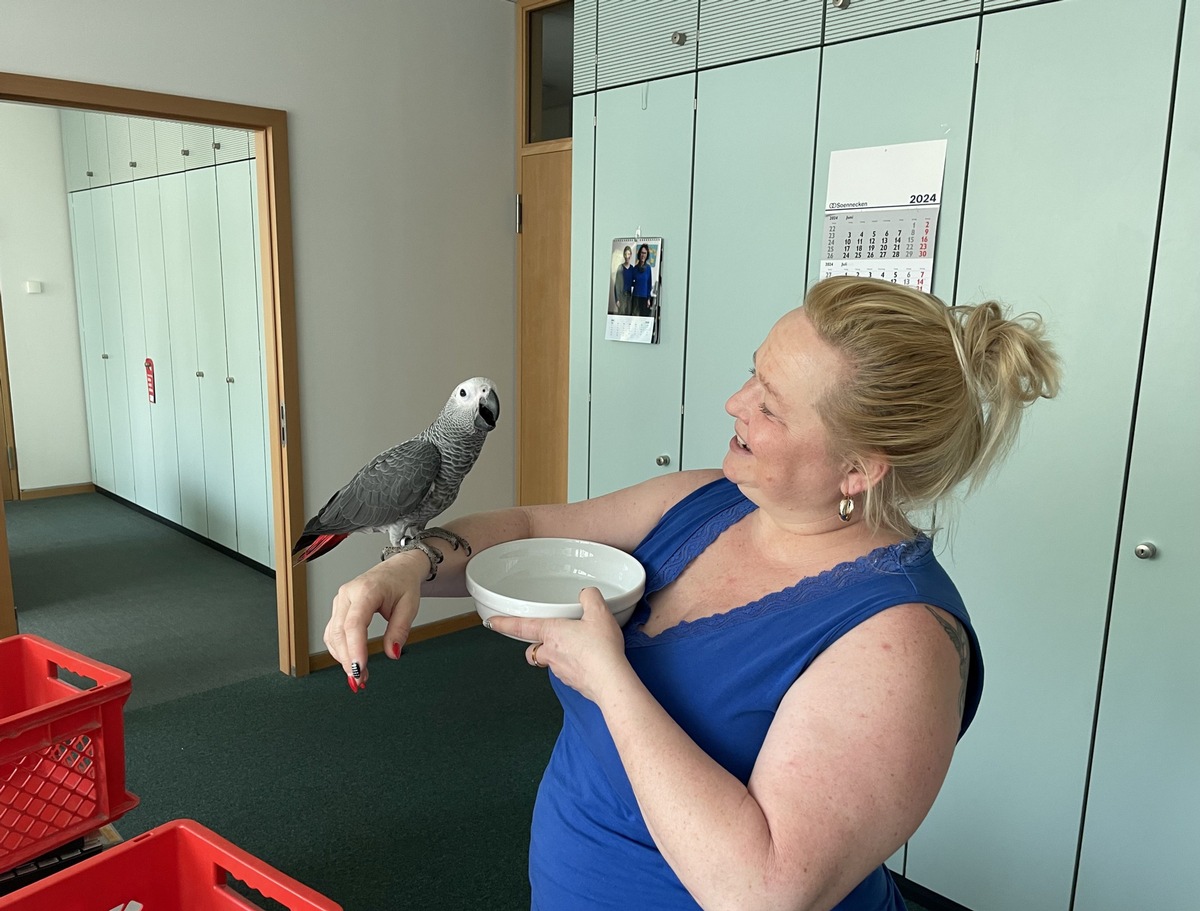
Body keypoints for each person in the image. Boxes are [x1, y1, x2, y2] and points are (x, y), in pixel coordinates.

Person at [325, 276, 1061, 911]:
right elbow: (526, 530)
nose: (734, 401)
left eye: (771, 406)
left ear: (858, 470)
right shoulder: (709, 499)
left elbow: (762, 889)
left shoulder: (901, 641)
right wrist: (410, 565)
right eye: (752, 373)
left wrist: (611, 681)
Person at [625, 242, 655, 317]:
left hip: (644, 298)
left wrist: (648, 299)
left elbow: (649, 284)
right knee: (634, 320)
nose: (643, 255)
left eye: (645, 253)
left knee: (643, 320)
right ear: (639, 254)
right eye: (642, 253)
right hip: (635, 298)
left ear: (647, 255)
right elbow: (631, 283)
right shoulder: (634, 269)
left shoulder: (648, 268)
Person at [612, 244, 634, 315]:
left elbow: (632, 282)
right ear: (624, 255)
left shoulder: (632, 268)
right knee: (622, 316)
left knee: (629, 316)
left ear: (630, 255)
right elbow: (617, 285)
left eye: (628, 254)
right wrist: (617, 299)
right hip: (622, 296)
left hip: (629, 296)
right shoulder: (620, 268)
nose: (627, 256)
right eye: (625, 254)